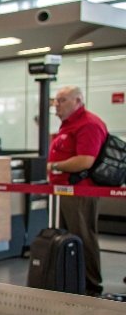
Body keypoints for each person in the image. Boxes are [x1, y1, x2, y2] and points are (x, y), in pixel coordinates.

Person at [47, 85, 108, 296]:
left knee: (83, 237)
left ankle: (91, 285)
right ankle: (71, 280)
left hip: (80, 192)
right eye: (56, 100)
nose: (57, 105)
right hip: (64, 191)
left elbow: (85, 160)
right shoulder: (68, 125)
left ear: (78, 100)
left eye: (62, 100)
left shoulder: (88, 124)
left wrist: (54, 166)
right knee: (68, 237)